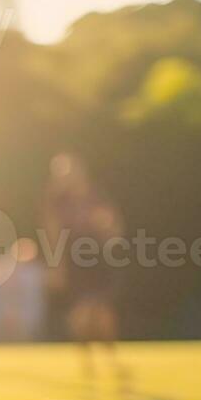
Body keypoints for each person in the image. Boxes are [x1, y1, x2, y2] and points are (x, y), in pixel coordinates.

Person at [41, 152, 126, 381]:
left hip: (97, 258)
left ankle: (111, 360)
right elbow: (53, 234)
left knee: (103, 310)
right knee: (82, 311)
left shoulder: (96, 195)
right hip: (73, 260)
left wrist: (110, 232)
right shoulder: (57, 201)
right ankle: (87, 362)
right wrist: (56, 265)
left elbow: (113, 225)